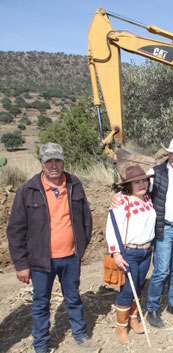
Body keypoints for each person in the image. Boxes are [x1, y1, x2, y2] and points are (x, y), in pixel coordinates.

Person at [7, 143, 99, 352]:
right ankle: (41, 344)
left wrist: (80, 249)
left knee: (73, 298)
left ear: (63, 161)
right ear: (41, 163)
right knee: (40, 304)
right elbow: (15, 230)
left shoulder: (74, 183)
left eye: (57, 160)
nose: (54, 165)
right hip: (41, 260)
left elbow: (86, 219)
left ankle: (81, 336)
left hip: (70, 257)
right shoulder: (27, 190)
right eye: (49, 161)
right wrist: (22, 264)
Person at [111, 137, 173, 328]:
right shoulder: (156, 172)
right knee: (161, 271)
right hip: (165, 228)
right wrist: (116, 197)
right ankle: (153, 309)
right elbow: (135, 188)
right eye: (171, 153)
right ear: (168, 154)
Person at [105, 165, 156, 344]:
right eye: (136, 182)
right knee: (128, 289)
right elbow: (112, 228)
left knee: (139, 285)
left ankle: (133, 318)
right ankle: (121, 327)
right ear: (129, 185)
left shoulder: (148, 199)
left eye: (144, 181)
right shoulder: (122, 202)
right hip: (129, 252)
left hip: (146, 250)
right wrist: (116, 253)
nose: (141, 184)